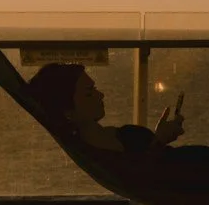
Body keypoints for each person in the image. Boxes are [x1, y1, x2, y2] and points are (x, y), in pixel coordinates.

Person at [28, 62, 184, 151]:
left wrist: (158, 139)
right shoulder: (99, 150)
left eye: (94, 89)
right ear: (68, 112)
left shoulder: (99, 141)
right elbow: (139, 176)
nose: (100, 95)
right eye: (89, 93)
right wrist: (160, 140)